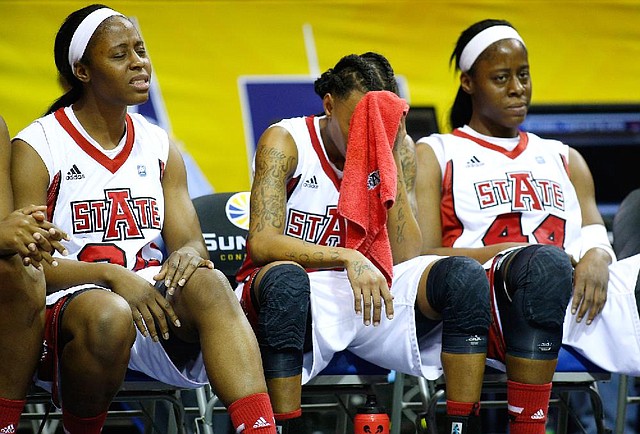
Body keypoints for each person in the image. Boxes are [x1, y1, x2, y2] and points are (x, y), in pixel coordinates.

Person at [11, 4, 276, 433]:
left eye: (140, 49)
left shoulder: (158, 144)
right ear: (82, 70)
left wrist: (188, 257)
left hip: (148, 302)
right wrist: (112, 277)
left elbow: (190, 242)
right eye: (120, 54)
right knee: (109, 313)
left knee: (210, 284)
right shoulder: (38, 145)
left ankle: (260, 427)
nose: (139, 62)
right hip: (71, 310)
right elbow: (25, 268)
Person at [235, 52, 493, 434]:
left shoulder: (397, 149)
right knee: (287, 283)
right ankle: (285, 427)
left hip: (369, 295)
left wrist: (387, 155)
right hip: (297, 295)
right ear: (329, 104)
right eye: (359, 121)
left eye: (379, 120)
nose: (366, 133)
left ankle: (459, 428)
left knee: (463, 277)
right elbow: (262, 242)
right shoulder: (286, 140)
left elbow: (407, 256)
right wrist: (348, 256)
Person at [414, 18, 640, 434]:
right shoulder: (437, 152)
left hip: (574, 298)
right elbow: (422, 257)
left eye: (523, 74)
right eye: (501, 78)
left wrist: (596, 254)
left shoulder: (562, 156)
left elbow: (593, 229)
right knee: (542, 264)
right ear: (468, 83)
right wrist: (522, 257)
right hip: (492, 304)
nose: (518, 88)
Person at [0, 115, 69, 433]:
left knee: (21, 267)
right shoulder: (41, 142)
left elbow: (5, 228)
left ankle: (5, 424)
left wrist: (27, 236)